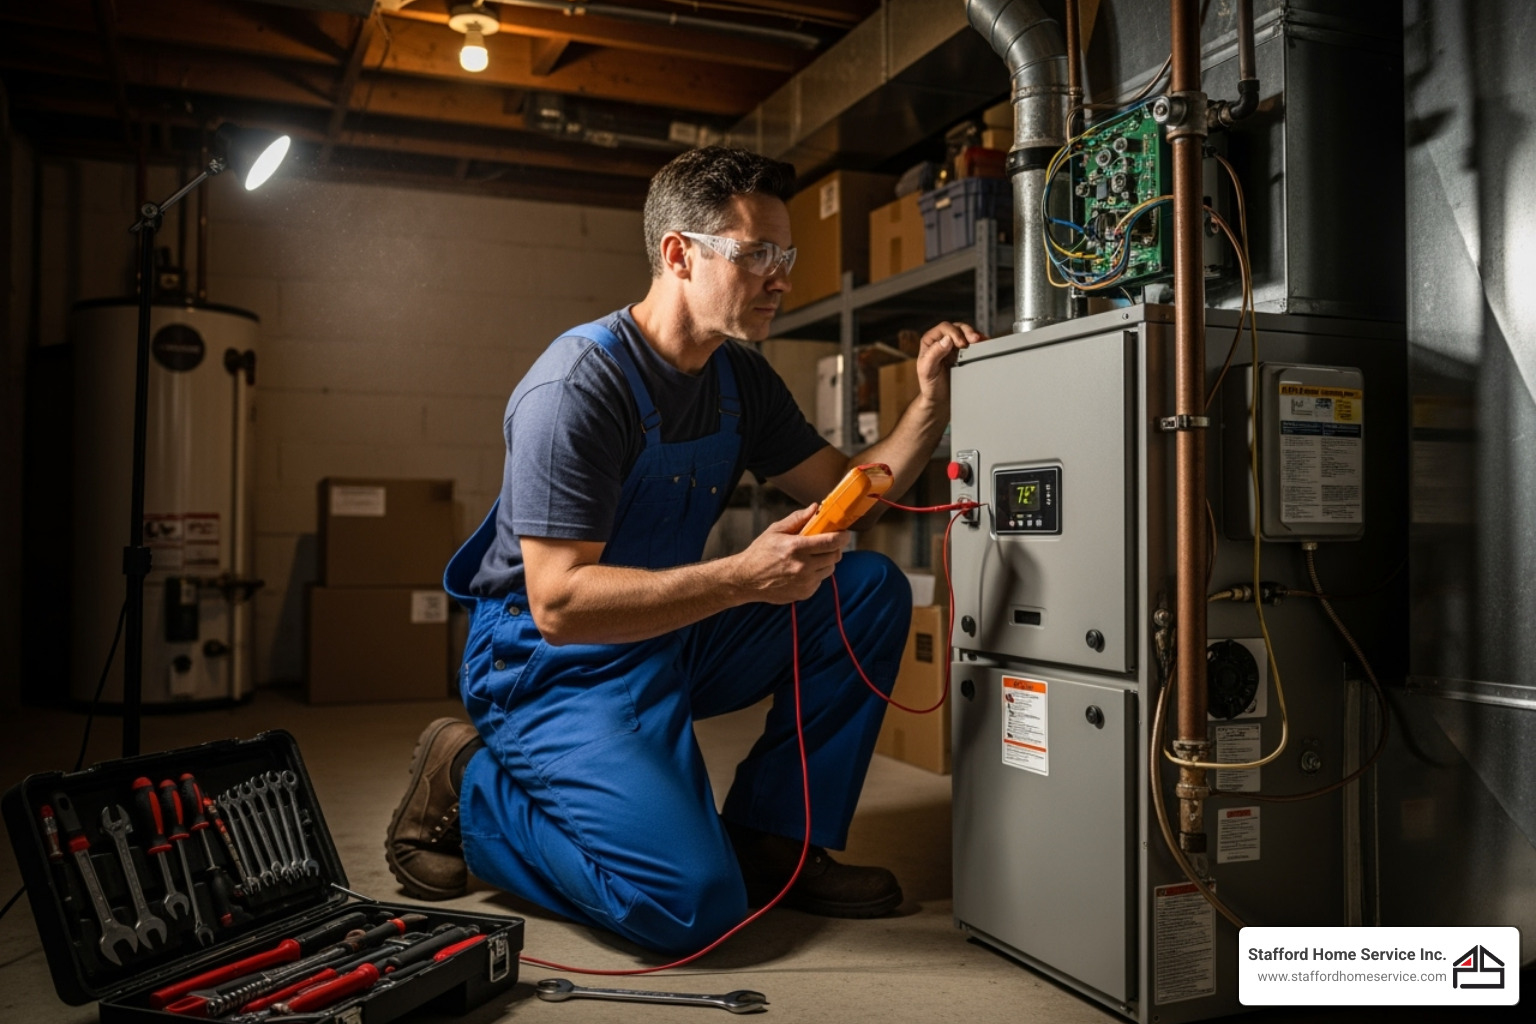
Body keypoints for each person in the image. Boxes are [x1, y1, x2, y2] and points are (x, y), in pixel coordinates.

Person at [384, 146, 983, 955]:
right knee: (687, 907)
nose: (781, 277)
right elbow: (558, 604)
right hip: (550, 662)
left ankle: (777, 840)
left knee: (865, 587)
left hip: (673, 632)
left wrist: (930, 406)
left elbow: (849, 495)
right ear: (679, 253)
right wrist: (742, 577)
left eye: (786, 255)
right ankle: (473, 784)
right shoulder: (578, 388)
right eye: (757, 255)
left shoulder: (741, 378)